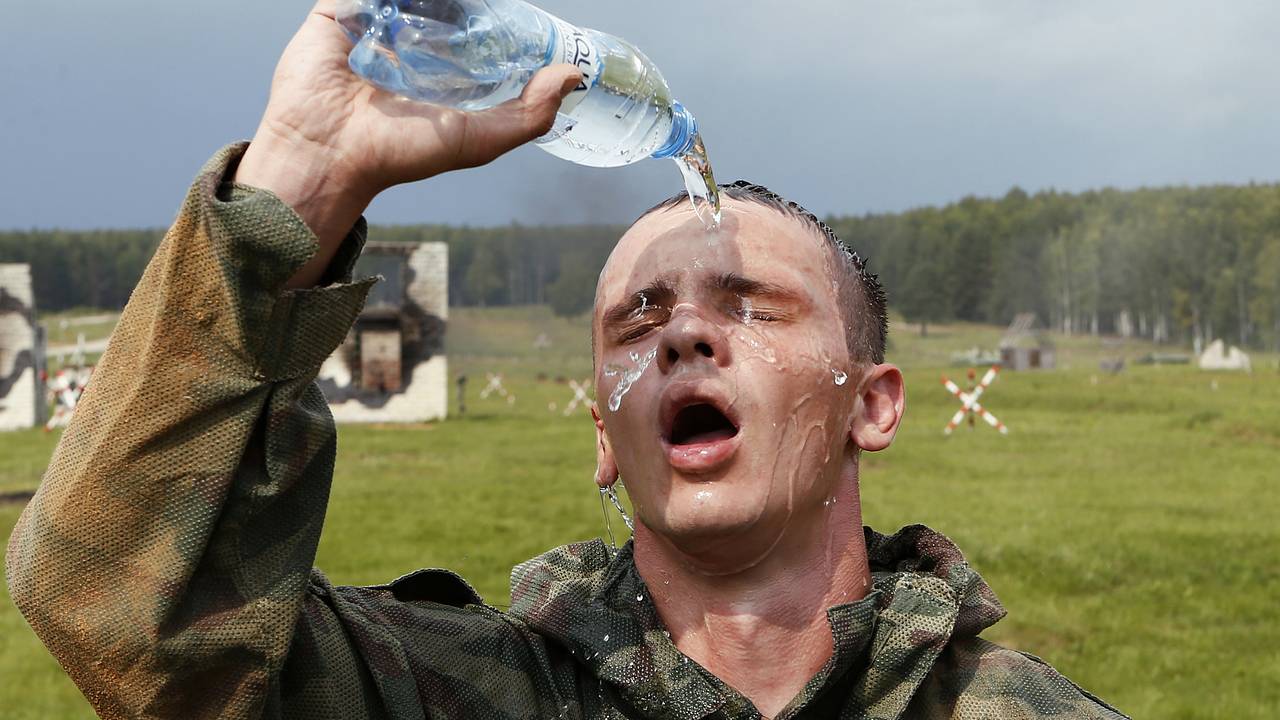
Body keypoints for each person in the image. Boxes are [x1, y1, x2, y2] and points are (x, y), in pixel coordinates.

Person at [6, 3, 1127, 719]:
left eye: (752, 306)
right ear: (603, 431)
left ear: (870, 404)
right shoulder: (443, 695)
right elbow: (109, 603)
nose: (684, 333)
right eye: (638, 322)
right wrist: (303, 180)